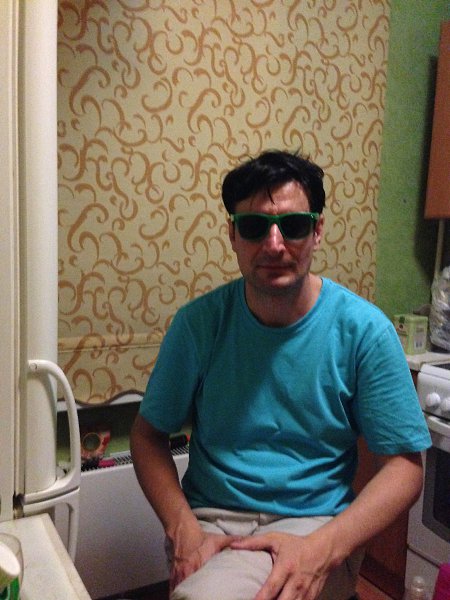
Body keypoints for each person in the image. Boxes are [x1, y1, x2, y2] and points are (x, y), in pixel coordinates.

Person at [130, 150, 431, 600]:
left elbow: (404, 467)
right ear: (233, 234)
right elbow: (148, 435)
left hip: (316, 525)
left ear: (317, 231)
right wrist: (182, 529)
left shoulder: (365, 332)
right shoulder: (199, 325)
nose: (274, 244)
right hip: (213, 522)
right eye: (255, 227)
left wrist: (324, 548)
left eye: (292, 226)